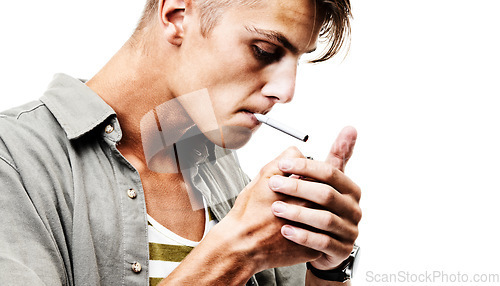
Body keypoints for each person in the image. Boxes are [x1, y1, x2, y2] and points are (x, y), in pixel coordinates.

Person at [0, 0, 361, 285]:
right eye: (265, 50)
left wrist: (327, 269)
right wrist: (238, 252)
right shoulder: (13, 160)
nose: (286, 91)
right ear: (176, 16)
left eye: (297, 59)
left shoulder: (225, 173)